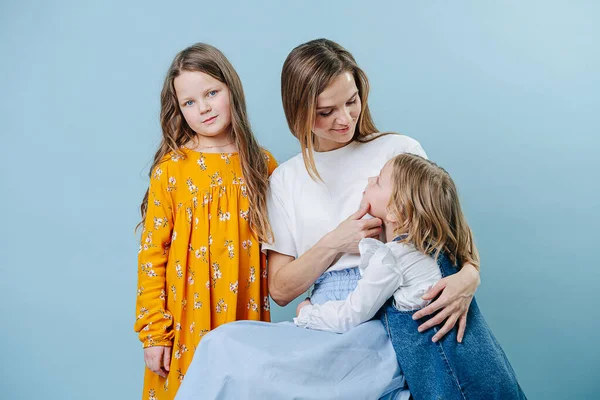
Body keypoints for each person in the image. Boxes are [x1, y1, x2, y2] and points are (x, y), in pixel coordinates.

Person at [176, 38, 481, 400]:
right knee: (221, 346)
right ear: (299, 111)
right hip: (325, 319)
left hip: (392, 319)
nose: (344, 119)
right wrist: (337, 241)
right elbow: (281, 289)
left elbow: (453, 238)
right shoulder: (286, 180)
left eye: (352, 101)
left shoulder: (398, 152)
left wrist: (470, 276)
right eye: (325, 111)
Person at [295, 153, 526, 399]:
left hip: (453, 388)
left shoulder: (392, 258)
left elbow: (350, 314)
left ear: (395, 211)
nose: (371, 179)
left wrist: (307, 313)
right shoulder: (442, 247)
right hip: (494, 375)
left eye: (379, 181)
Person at [134, 43, 277, 400]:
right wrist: (154, 333)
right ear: (179, 110)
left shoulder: (262, 165)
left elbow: (289, 245)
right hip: (185, 324)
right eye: (190, 102)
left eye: (212, 92)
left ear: (232, 88)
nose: (204, 108)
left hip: (245, 320)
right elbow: (152, 255)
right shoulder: (171, 170)